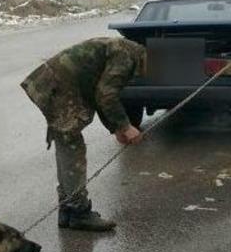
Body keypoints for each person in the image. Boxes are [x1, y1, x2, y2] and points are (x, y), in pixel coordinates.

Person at [21, 37, 147, 232]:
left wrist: (117, 129)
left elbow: (99, 94)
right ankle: (78, 212)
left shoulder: (126, 50)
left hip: (52, 84)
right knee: (72, 147)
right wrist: (126, 127)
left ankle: (68, 210)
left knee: (67, 144)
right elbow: (106, 95)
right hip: (57, 87)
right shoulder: (126, 57)